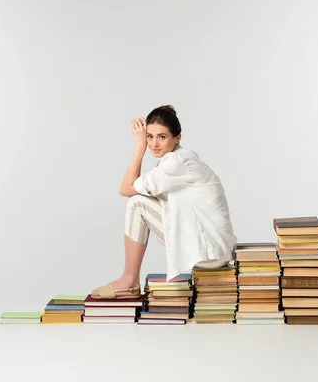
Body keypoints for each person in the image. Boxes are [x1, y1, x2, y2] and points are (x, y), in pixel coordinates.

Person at [91, 105, 237, 299]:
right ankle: (129, 280)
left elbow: (125, 189)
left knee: (136, 203)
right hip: (211, 245)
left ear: (177, 138)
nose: (154, 144)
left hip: (208, 251)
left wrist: (139, 147)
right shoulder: (178, 160)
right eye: (149, 137)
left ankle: (129, 280)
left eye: (162, 136)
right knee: (140, 199)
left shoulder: (176, 162)